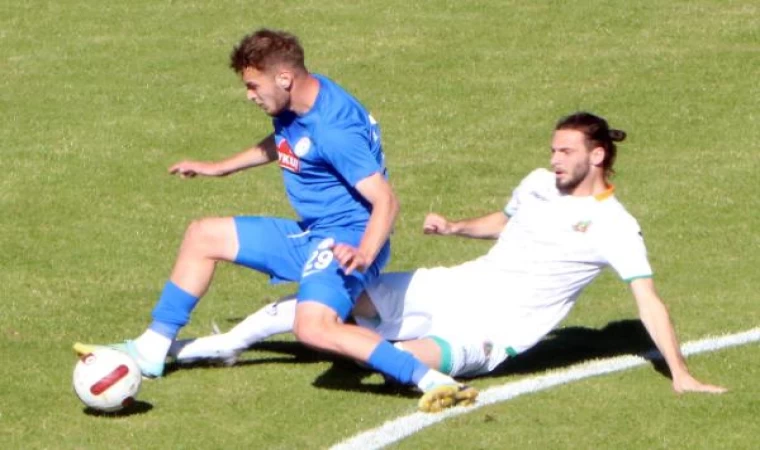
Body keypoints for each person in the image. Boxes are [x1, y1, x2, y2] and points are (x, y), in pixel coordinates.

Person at [169, 112, 726, 395]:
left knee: (380, 363)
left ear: (597, 156)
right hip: (454, 285)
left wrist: (679, 373)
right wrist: (456, 227)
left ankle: (375, 343)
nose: (554, 159)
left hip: (491, 332)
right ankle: (225, 344)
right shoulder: (538, 183)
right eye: (553, 149)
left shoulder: (615, 225)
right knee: (333, 290)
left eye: (565, 151)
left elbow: (648, 301)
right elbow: (504, 222)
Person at [74, 28, 477, 413]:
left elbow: (386, 200)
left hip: (345, 241)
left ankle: (429, 379)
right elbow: (288, 142)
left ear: (284, 77)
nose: (249, 95)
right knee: (203, 235)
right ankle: (152, 348)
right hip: (312, 233)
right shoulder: (300, 101)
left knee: (313, 328)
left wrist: (364, 253)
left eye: (253, 86)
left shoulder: (333, 129)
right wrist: (220, 167)